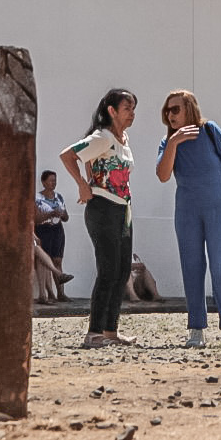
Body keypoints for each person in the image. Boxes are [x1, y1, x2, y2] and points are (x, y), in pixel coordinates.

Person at [153, 89, 221, 348]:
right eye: (167, 110)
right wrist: (173, 143)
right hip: (186, 212)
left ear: (189, 109)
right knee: (192, 268)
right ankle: (196, 328)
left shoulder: (209, 130)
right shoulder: (167, 141)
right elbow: (162, 175)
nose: (170, 115)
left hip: (216, 210)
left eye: (175, 109)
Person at [62, 88, 139, 349]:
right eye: (127, 108)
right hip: (103, 208)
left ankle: (110, 331)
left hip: (122, 209)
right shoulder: (102, 137)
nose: (132, 114)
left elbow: (91, 161)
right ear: (112, 111)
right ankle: (93, 332)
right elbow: (68, 155)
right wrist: (83, 185)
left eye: (133, 108)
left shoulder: (123, 139)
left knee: (122, 270)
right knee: (107, 270)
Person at [34, 171, 69, 269]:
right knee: (44, 263)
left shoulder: (59, 197)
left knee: (57, 261)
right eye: (51, 181)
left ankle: (60, 282)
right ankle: (46, 284)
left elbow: (66, 218)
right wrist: (51, 214)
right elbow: (35, 219)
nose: (54, 183)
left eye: (55, 181)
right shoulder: (37, 198)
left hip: (57, 230)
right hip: (43, 230)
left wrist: (62, 214)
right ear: (43, 182)